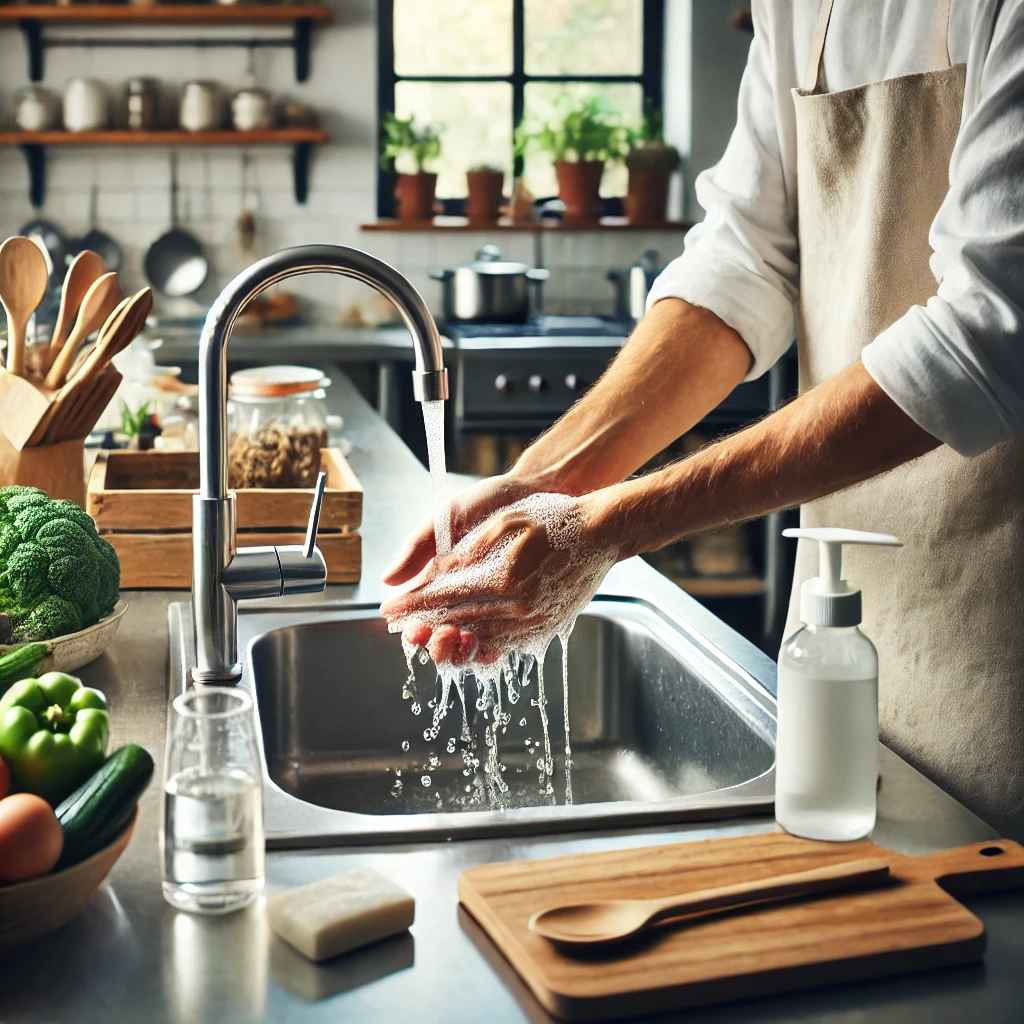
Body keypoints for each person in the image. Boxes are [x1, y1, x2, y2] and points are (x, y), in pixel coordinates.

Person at [382, 0, 1024, 840]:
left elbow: (989, 331)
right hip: (845, 623)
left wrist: (606, 527)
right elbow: (744, 262)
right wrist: (539, 486)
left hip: (1001, 629)